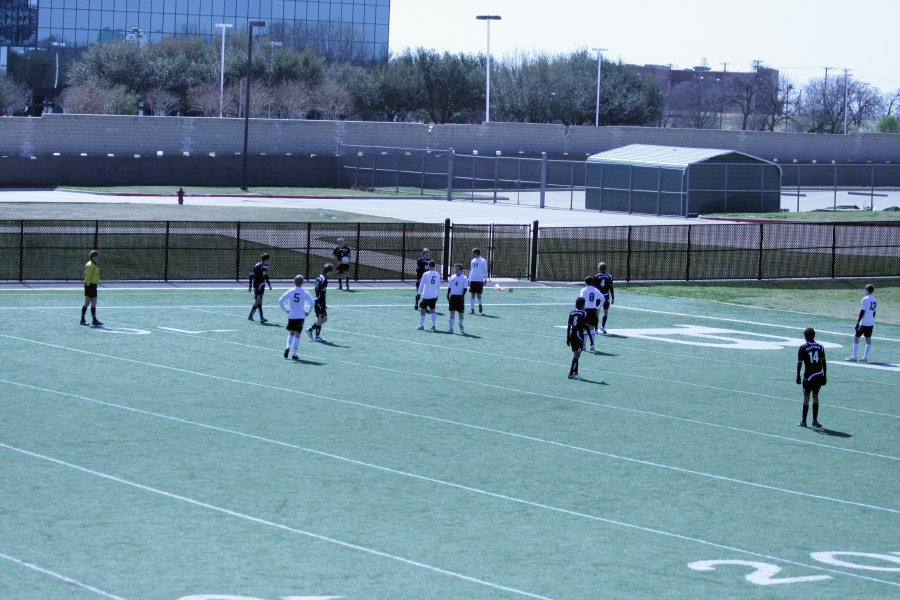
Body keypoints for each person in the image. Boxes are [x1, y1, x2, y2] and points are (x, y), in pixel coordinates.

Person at [278, 275, 314, 361]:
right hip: (301, 316)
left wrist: (286, 310)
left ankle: (287, 346)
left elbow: (280, 300)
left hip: (292, 315)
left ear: (294, 282)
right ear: (302, 282)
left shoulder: (291, 291)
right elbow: (312, 303)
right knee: (297, 335)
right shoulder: (305, 292)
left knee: (291, 333)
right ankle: (294, 354)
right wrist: (308, 312)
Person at [797, 327, 826, 428]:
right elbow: (824, 362)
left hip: (809, 377)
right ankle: (815, 420)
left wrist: (798, 375)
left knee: (806, 398)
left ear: (805, 337)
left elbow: (799, 363)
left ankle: (803, 421)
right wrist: (825, 376)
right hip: (819, 375)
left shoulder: (803, 347)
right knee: (815, 397)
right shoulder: (820, 347)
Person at [848, 284, 877, 362]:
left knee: (856, 338)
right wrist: (872, 320)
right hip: (871, 322)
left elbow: (862, 311)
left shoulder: (865, 299)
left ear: (867, 290)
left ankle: (854, 357)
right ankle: (865, 357)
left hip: (864, 322)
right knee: (868, 339)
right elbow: (874, 313)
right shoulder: (875, 300)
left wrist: (858, 322)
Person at [307, 263, 333, 342]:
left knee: (324, 319)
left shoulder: (319, 276)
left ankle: (310, 330)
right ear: (329, 271)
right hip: (320, 302)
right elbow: (322, 293)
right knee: (320, 319)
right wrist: (322, 304)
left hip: (318, 300)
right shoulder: (324, 280)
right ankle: (317, 337)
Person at [566, 297, 590, 380]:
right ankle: (571, 374)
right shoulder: (584, 313)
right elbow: (586, 327)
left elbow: (569, 327)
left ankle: (575, 373)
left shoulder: (571, 313)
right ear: (583, 304)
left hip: (572, 335)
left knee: (576, 355)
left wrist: (568, 338)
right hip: (579, 336)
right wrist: (591, 340)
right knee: (577, 355)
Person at [579, 276, 602, 351]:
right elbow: (603, 299)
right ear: (592, 282)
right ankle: (592, 345)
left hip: (586, 310)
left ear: (585, 282)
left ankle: (584, 346)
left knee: (585, 327)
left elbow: (581, 299)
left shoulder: (583, 290)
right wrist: (598, 307)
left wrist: (579, 309)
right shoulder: (596, 290)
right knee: (592, 328)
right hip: (593, 310)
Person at [417, 260, 441, 331]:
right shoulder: (437, 274)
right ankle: (433, 326)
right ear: (435, 265)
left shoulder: (426, 274)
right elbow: (438, 286)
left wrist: (419, 293)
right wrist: (437, 295)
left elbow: (421, 284)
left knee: (423, 310)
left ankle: (421, 325)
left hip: (426, 295)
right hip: (434, 295)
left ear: (428, 265)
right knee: (433, 310)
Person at [80, 249, 103, 326]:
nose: (98, 258)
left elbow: (94, 275)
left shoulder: (94, 264)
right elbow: (88, 276)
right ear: (93, 257)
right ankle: (82, 319)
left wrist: (97, 281)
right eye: (97, 256)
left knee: (94, 303)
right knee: (87, 302)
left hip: (93, 285)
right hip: (89, 286)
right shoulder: (90, 265)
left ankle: (94, 320)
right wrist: (88, 286)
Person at [248, 252, 272, 323]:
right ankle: (261, 318)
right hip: (257, 286)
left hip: (262, 286)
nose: (269, 261)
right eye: (269, 259)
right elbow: (251, 276)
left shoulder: (266, 266)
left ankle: (250, 316)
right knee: (259, 301)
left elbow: (266, 276)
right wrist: (250, 287)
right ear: (266, 260)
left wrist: (269, 284)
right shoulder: (257, 266)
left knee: (258, 302)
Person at [593, 261, 615, 334]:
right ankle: (603, 327)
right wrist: (613, 298)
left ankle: (596, 329)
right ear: (606, 268)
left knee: (597, 312)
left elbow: (594, 288)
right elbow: (611, 287)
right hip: (606, 297)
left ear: (599, 268)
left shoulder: (596, 276)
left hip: (598, 297)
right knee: (605, 312)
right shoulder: (609, 276)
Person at [447, 263, 468, 334]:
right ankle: (451, 328)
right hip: (452, 297)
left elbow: (465, 288)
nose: (455, 270)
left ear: (461, 270)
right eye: (455, 269)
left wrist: (462, 296)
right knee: (452, 313)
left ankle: (460, 324)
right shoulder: (452, 277)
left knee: (461, 313)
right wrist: (448, 294)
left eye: (457, 269)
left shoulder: (464, 278)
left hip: (459, 297)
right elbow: (449, 287)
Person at [469, 247, 489, 314]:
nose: (472, 254)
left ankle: (480, 305)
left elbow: (485, 270)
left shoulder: (483, 261)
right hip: (473, 280)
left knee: (478, 295)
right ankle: (472, 309)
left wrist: (485, 279)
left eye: (473, 253)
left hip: (479, 280)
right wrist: (469, 279)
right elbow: (471, 270)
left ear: (477, 253)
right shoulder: (472, 261)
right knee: (472, 295)